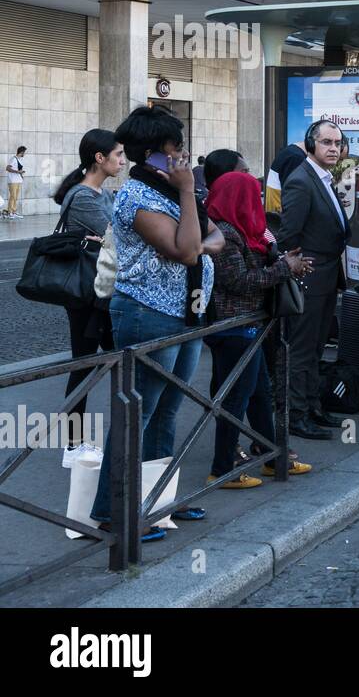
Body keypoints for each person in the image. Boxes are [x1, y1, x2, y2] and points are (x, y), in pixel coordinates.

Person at [89, 106, 223, 540]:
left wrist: (195, 232)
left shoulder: (167, 191)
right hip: (148, 314)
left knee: (166, 412)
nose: (184, 156)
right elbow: (187, 250)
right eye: (176, 149)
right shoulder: (138, 196)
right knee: (136, 414)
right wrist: (188, 196)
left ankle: (157, 500)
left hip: (184, 312)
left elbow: (218, 236)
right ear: (155, 155)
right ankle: (114, 512)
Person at [205, 171, 314, 486]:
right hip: (233, 326)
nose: (260, 202)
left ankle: (273, 457)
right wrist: (284, 268)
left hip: (250, 325)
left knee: (259, 393)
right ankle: (223, 469)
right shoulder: (226, 235)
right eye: (254, 196)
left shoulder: (244, 231)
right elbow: (239, 282)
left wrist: (284, 261)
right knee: (237, 397)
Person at [52, 129, 126, 467]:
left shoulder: (103, 192)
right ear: (100, 158)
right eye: (118, 155)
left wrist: (108, 237)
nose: (123, 161)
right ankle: (72, 445)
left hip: (101, 290)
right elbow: (119, 237)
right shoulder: (83, 197)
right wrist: (107, 237)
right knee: (84, 364)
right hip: (86, 294)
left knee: (109, 363)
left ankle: (111, 440)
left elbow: (114, 234)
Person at [277, 120, 349, 441]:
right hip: (308, 276)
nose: (333, 148)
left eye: (337, 143)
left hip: (326, 276)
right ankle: (297, 415)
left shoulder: (323, 178)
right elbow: (288, 233)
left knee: (317, 348)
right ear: (311, 145)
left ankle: (313, 406)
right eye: (326, 143)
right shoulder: (301, 180)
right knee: (302, 350)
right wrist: (298, 264)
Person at [264, 140, 307, 214]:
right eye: (326, 142)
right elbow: (295, 198)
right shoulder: (296, 158)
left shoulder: (292, 152)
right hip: (283, 215)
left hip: (278, 214)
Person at [4, 144, 26, 219]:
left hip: (18, 180)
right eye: (24, 152)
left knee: (15, 197)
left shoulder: (20, 160)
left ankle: (13, 211)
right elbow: (7, 168)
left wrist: (21, 175)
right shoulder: (13, 159)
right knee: (13, 196)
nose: (24, 154)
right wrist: (17, 172)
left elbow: (19, 170)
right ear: (21, 152)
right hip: (12, 181)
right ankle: (10, 212)